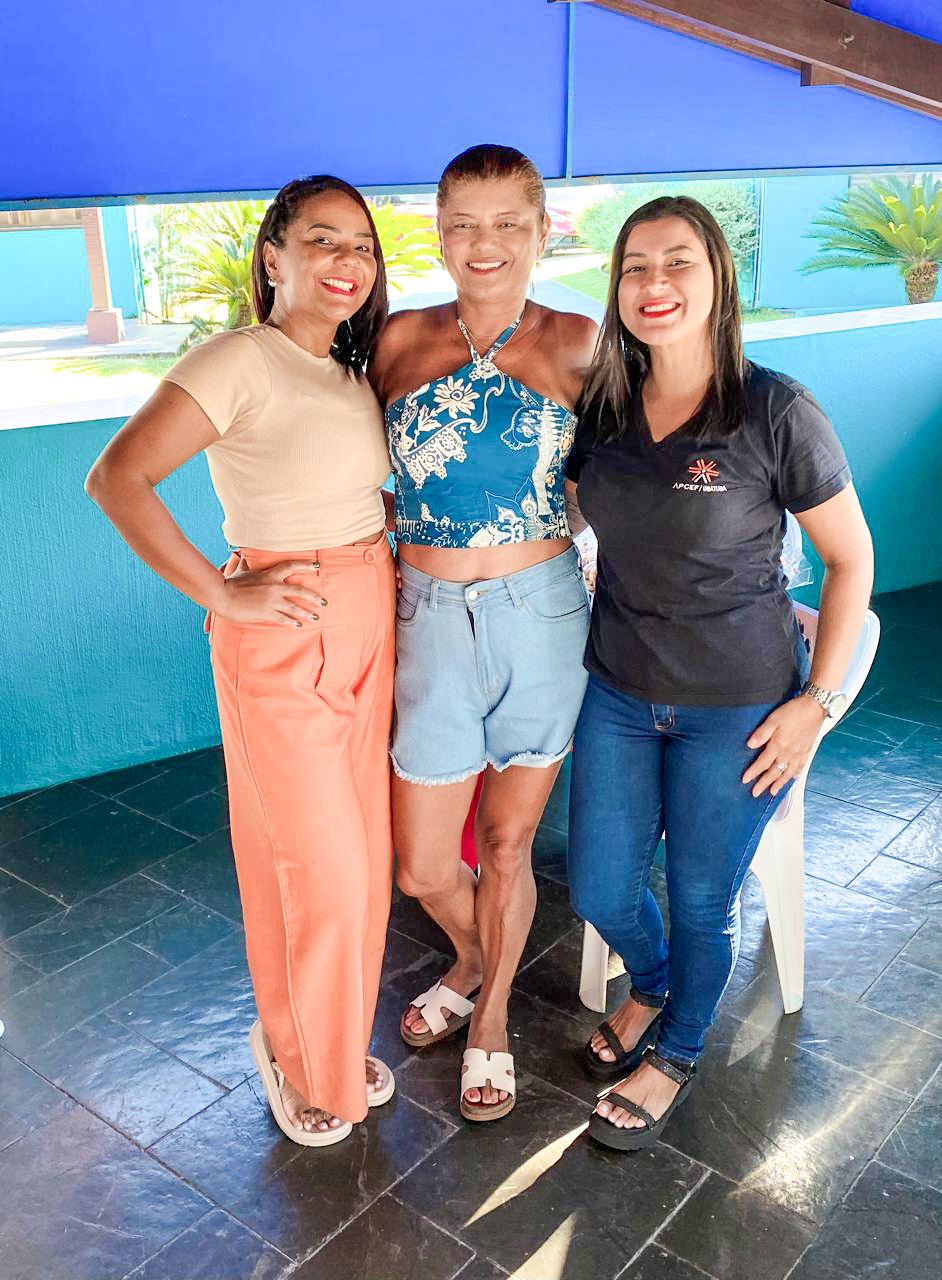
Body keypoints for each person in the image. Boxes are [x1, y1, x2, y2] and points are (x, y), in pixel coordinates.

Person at [85, 176, 398, 1147]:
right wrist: (223, 595)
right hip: (285, 625)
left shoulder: (348, 372)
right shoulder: (238, 359)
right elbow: (118, 477)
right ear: (274, 257)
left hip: (370, 616)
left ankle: (328, 1042)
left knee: (363, 859)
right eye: (323, 239)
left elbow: (347, 490)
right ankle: (299, 1055)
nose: (347, 260)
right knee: (318, 866)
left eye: (362, 245)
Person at [565, 196, 873, 1151]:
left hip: (738, 705)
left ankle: (680, 1047)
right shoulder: (605, 408)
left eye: (678, 263)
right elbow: (567, 518)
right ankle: (656, 984)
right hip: (619, 691)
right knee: (599, 889)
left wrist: (815, 705)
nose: (654, 284)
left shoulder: (774, 409)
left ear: (718, 280)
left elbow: (851, 560)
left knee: (702, 897)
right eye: (635, 267)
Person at [371, 144, 597, 1121]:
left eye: (509, 222)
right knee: (422, 863)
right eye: (463, 222)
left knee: (507, 843)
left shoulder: (580, 341)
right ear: (439, 232)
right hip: (426, 615)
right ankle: (471, 956)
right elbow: (349, 460)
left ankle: (491, 1013)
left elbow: (627, 475)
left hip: (540, 615)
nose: (485, 242)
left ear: (542, 231)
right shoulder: (397, 340)